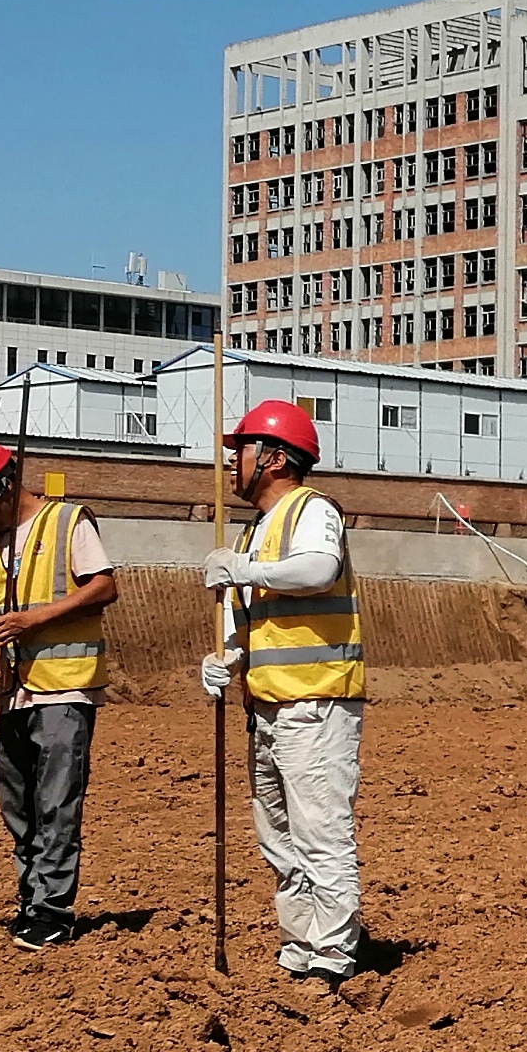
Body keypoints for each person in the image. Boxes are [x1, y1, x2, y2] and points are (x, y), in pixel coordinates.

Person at [199, 398, 364, 984]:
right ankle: (300, 943)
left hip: (315, 703)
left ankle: (334, 954)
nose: (230, 465)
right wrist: (227, 659)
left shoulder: (311, 511)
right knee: (280, 841)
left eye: (238, 451)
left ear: (272, 458)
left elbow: (318, 570)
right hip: (267, 705)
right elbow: (257, 620)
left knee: (320, 834)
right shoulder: (255, 530)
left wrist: (244, 571)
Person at [0, 438, 120, 950]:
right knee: (18, 805)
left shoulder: (68, 523)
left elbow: (104, 587)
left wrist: (35, 619)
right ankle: (29, 897)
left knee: (56, 803)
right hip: (13, 694)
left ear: (1, 487)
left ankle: (52, 911)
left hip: (65, 689)